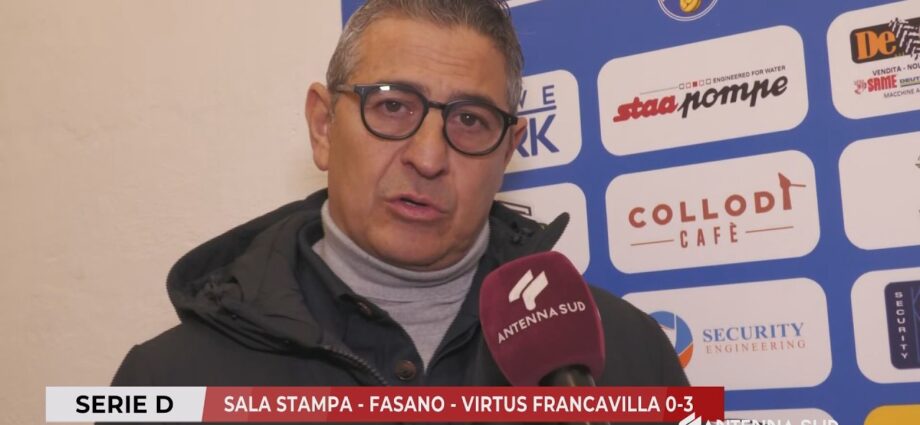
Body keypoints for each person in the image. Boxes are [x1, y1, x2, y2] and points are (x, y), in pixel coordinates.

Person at [111, 0, 688, 394]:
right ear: (323, 127)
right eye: (392, 106)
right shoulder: (169, 381)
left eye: (469, 119)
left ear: (508, 150)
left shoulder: (630, 356)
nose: (428, 157)